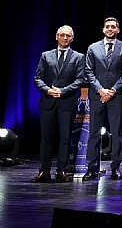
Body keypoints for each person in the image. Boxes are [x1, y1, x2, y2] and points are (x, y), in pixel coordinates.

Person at [83, 17, 122, 181]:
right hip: (97, 95)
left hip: (116, 96)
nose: (110, 29)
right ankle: (91, 168)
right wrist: (101, 90)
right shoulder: (93, 48)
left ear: (118, 30)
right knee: (94, 133)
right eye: (107, 27)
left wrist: (112, 91)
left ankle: (115, 168)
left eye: (113, 27)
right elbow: (89, 72)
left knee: (116, 132)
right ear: (103, 30)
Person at [32, 25, 85, 183]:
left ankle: (62, 170)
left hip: (67, 103)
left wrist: (62, 91)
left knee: (65, 138)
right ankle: (44, 171)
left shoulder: (79, 57)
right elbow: (37, 78)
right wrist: (48, 90)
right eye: (62, 35)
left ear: (72, 38)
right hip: (48, 102)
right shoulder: (45, 56)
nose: (65, 38)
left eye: (68, 35)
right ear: (57, 37)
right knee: (46, 138)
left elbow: (80, 79)